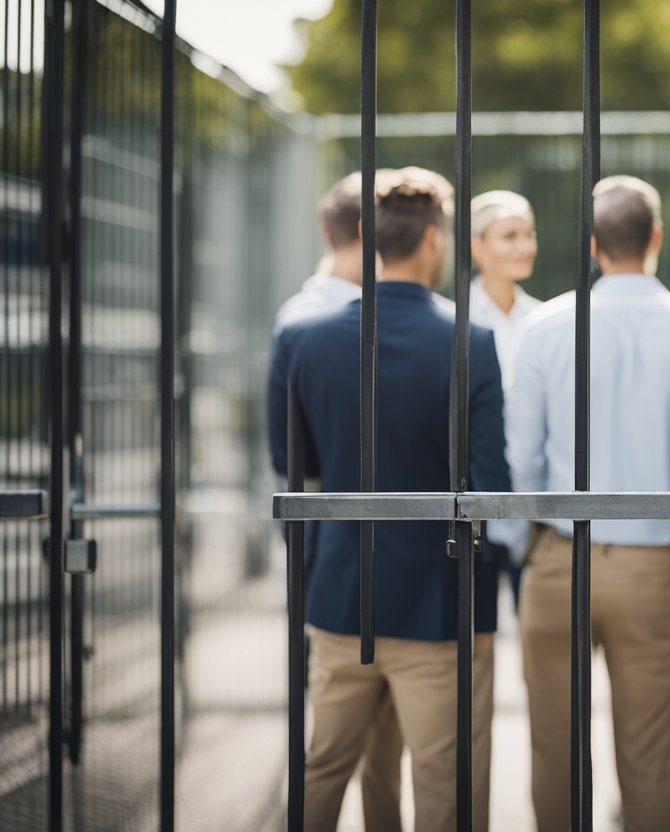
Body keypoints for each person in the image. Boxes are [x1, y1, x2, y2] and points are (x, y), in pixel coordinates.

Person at [268, 167, 509, 832]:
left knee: (322, 769)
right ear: (435, 238)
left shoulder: (303, 339)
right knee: (442, 781)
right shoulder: (472, 343)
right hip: (438, 600)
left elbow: (293, 464)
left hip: (342, 594)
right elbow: (488, 485)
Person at [508, 175, 670, 832]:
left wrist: (527, 540)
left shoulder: (545, 327)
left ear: (591, 243)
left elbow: (523, 456)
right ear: (657, 237)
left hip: (560, 559)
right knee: (650, 752)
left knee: (555, 748)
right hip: (655, 566)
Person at [266, 171, 404, 832]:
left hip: (345, 543)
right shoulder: (316, 321)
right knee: (339, 737)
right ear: (362, 236)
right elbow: (293, 455)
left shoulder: (305, 315)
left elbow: (287, 454)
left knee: (376, 737)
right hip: (342, 548)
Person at [469, 190, 542, 606]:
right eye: (509, 235)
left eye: (529, 234)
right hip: (476, 501)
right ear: (478, 247)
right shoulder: (455, 319)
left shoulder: (545, 322)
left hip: (534, 504)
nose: (524, 245)